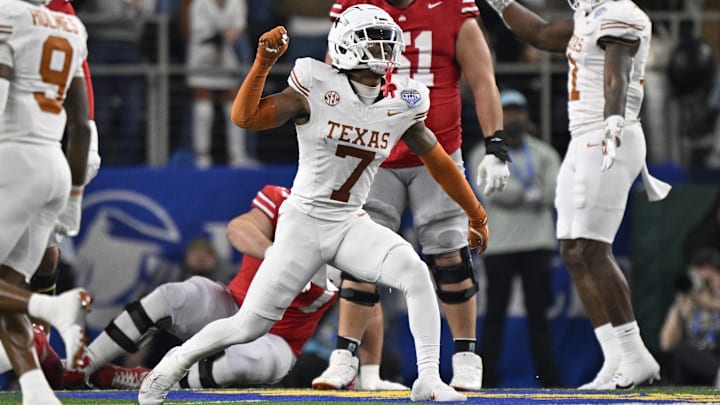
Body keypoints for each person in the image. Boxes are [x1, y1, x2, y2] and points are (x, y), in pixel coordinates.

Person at [138, 5, 490, 403]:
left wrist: (474, 211)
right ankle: (173, 363)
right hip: (304, 222)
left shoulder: (402, 101)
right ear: (346, 46)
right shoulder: (316, 85)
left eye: (387, 40)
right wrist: (261, 64)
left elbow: (439, 160)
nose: (385, 48)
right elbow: (245, 118)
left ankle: (428, 378)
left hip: (348, 222)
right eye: (374, 39)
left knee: (414, 271)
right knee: (248, 325)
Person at [313, 0, 509, 392]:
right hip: (373, 152)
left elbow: (482, 77)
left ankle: (466, 356)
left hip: (434, 149)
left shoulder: (453, 8)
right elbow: (330, 81)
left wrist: (496, 145)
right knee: (359, 258)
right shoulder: (355, 8)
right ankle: (343, 357)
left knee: (450, 256)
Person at [484, 0, 673, 390]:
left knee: (591, 248)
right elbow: (537, 32)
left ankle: (636, 355)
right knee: (572, 250)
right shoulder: (588, 16)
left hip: (606, 134)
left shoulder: (621, 13)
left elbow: (615, 76)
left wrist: (614, 121)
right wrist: (499, 2)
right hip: (582, 137)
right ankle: (615, 356)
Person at [61, 184, 341, 390]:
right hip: (233, 306)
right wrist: (275, 256)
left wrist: (357, 363)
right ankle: (84, 364)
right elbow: (238, 229)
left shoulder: (351, 240)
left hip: (278, 340)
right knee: (173, 296)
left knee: (247, 360)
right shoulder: (282, 200)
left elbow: (366, 304)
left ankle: (147, 380)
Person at [0, 0, 95, 403]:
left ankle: (52, 309)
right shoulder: (71, 26)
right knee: (7, 287)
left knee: (18, 293)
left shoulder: (8, 14)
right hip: (55, 163)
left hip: (13, 157)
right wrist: (72, 198)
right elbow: (82, 126)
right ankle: (38, 391)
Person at [468, 89, 563, 388]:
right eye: (507, 111)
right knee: (494, 313)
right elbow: (490, 191)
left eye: (518, 110)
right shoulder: (481, 153)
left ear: (526, 114)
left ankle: (548, 379)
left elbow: (552, 192)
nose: (513, 117)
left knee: (539, 316)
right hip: (501, 244)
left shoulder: (544, 153)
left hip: (537, 243)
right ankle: (486, 378)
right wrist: (526, 193)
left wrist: (522, 194)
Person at [186, 0, 257, 168]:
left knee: (232, 108)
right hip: (201, 58)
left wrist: (225, 32)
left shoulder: (237, 4)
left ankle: (237, 155)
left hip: (226, 57)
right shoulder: (199, 4)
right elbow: (199, 30)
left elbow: (238, 28)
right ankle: (202, 157)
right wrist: (224, 31)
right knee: (204, 109)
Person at [659, 249, 720, 387]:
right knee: (682, 352)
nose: (704, 286)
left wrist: (712, 304)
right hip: (700, 359)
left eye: (707, 281)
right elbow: (666, 344)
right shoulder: (688, 301)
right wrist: (678, 309)